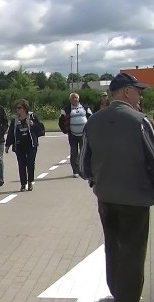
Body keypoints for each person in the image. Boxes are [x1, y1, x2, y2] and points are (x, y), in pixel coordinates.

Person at [80, 73, 154, 302]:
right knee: (134, 251)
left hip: (106, 198)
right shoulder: (140, 121)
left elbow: (83, 164)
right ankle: (129, 297)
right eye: (137, 91)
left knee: (112, 248)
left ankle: (116, 292)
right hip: (136, 199)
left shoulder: (93, 121)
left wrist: (97, 179)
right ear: (126, 92)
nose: (140, 96)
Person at [4, 99, 42, 192]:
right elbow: (11, 133)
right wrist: (8, 145)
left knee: (30, 163)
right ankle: (23, 184)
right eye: (16, 108)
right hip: (19, 145)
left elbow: (40, 128)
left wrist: (33, 125)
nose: (17, 110)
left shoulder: (32, 117)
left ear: (25, 108)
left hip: (31, 144)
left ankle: (30, 182)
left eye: (19, 108)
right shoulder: (15, 119)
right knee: (21, 165)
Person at [58, 92, 92, 177]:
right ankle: (75, 171)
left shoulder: (85, 107)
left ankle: (83, 169)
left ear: (78, 99)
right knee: (74, 152)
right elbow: (61, 122)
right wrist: (65, 131)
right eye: (73, 98)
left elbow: (91, 117)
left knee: (83, 152)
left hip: (83, 134)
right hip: (72, 134)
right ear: (70, 100)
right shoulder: (66, 109)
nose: (75, 99)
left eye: (76, 98)